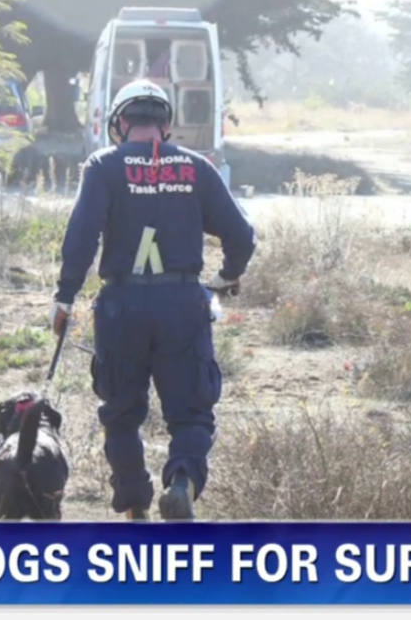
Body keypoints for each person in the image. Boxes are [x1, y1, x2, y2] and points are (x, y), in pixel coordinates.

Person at [51, 79, 256, 521]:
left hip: (122, 305)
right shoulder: (199, 168)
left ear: (121, 123)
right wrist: (224, 279)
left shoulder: (103, 165)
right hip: (183, 303)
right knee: (192, 412)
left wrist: (64, 298)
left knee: (122, 414)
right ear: (165, 125)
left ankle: (135, 508)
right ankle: (181, 480)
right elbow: (242, 236)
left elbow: (81, 238)